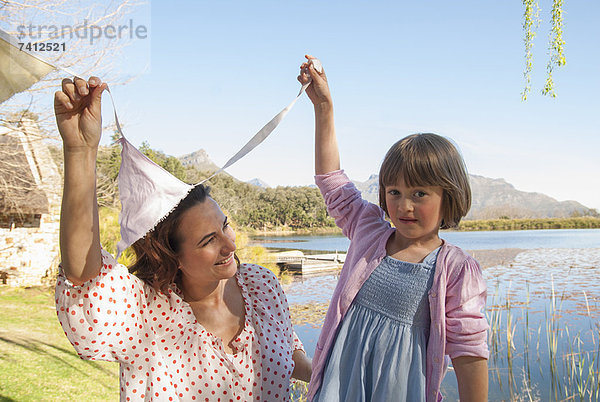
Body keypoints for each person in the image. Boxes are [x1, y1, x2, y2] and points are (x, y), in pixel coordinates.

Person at [53, 76, 312, 401]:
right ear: (170, 255)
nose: (230, 245)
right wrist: (80, 151)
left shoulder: (262, 285)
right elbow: (83, 276)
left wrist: (332, 375)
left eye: (225, 226)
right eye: (207, 241)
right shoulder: (143, 313)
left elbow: (288, 352)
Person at [298, 56, 489, 402]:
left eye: (420, 193)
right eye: (395, 192)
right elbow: (332, 182)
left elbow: (469, 351)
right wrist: (324, 106)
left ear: (449, 196)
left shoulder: (456, 269)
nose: (404, 205)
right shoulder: (368, 230)